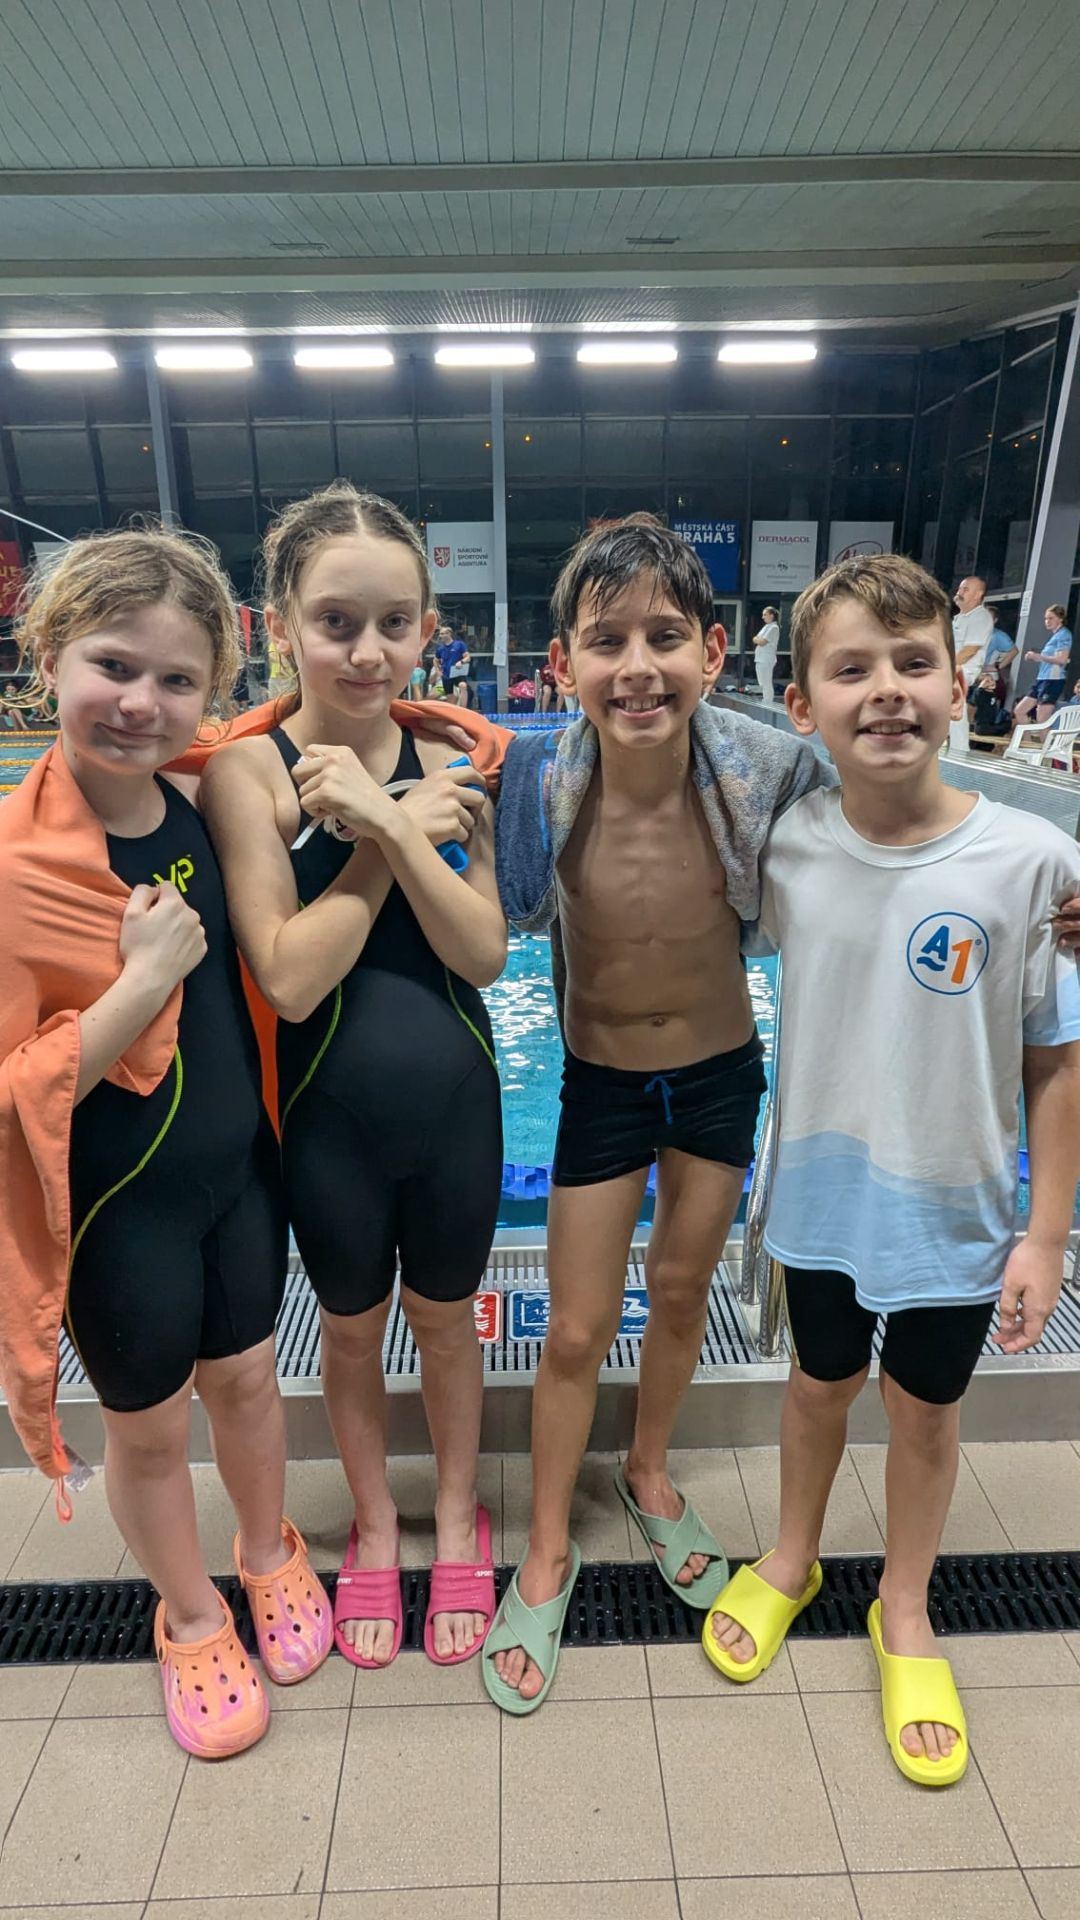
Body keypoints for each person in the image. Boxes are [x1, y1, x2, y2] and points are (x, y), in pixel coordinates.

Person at [703, 553, 1080, 1790]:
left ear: (958, 684)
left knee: (925, 1410)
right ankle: (791, 1556)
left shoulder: (1036, 863)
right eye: (851, 668)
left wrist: (1045, 1235)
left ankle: (905, 1605)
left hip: (955, 1210)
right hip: (818, 1197)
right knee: (816, 1387)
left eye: (915, 662)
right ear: (799, 705)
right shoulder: (787, 850)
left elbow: (1056, 1063)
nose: (886, 691)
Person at [483, 515, 833, 1713]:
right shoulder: (537, 779)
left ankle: (646, 1468)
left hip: (722, 1073)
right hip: (601, 1085)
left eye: (666, 637)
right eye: (607, 641)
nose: (638, 667)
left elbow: (893, 839)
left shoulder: (771, 772)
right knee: (576, 1331)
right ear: (563, 664)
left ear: (714, 652)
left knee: (682, 1292)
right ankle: (546, 1545)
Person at [0, 528, 331, 1761]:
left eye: (177, 679)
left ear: (212, 695)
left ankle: (267, 1548)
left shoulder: (208, 798)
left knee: (249, 1383)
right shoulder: (14, 867)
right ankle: (189, 1615)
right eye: (113, 665)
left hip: (237, 1179)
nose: (141, 702)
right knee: (148, 1429)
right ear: (47, 658)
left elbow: (323, 719)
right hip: (115, 1213)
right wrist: (141, 987)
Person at [201, 482, 507, 1673]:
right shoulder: (252, 774)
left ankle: (457, 1515)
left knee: (448, 1325)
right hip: (327, 1122)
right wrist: (393, 828)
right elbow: (287, 978)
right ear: (282, 625)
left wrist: (384, 815)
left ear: (427, 628)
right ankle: (376, 1520)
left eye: (393, 623)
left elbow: (481, 952)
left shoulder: (454, 759)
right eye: (335, 622)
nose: (366, 651)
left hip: (457, 1109)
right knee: (349, 1329)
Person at [949, 576, 992, 751]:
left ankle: (959, 751)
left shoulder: (981, 617)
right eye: (960, 588)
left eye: (965, 589)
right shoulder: (959, 617)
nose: (959, 592)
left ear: (978, 594)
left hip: (962, 669)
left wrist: (945, 669)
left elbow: (970, 649)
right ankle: (956, 750)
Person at [1014, 604, 1074, 724]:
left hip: (1052, 680)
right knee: (1020, 710)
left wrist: (1039, 656)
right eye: (1046, 618)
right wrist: (1036, 657)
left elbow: (1062, 659)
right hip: (1042, 678)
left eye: (1051, 618)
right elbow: (1050, 658)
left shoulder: (1064, 635)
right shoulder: (1055, 636)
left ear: (1060, 619)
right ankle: (1028, 736)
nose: (1047, 621)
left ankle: (1045, 737)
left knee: (1042, 720)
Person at [982, 603, 1018, 707]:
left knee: (983, 708)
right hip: (972, 675)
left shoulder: (998, 636)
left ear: (995, 620)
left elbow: (1014, 651)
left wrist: (997, 666)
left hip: (988, 677)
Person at [751, 606, 780, 703]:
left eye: (765, 615)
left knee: (766, 682)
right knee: (762, 682)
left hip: (767, 659)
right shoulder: (766, 627)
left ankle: (768, 702)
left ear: (771, 615)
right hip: (760, 658)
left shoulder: (774, 628)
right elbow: (754, 638)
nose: (763, 617)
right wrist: (757, 639)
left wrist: (757, 639)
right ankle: (765, 700)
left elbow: (762, 641)